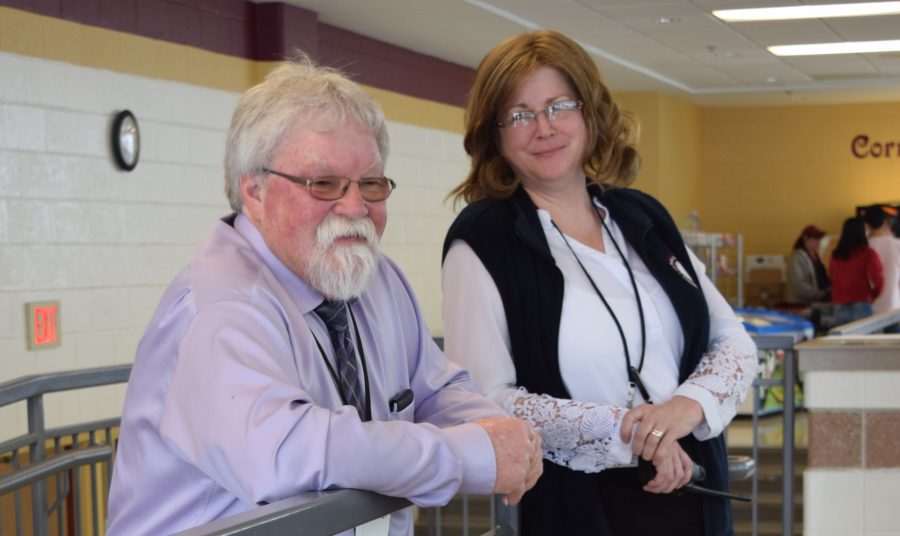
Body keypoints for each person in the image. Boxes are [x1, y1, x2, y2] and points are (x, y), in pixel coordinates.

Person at [105, 54, 542, 536]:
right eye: (325, 184)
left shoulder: (378, 279)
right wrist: (472, 456)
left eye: (371, 184)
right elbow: (292, 454)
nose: (355, 207)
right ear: (254, 191)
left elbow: (435, 389)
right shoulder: (219, 308)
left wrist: (498, 435)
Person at [441, 30, 757, 535]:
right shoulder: (484, 237)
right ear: (495, 134)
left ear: (590, 112)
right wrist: (625, 430)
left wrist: (683, 408)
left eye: (559, 106)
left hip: (693, 486)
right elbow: (484, 400)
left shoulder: (641, 216)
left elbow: (730, 339)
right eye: (519, 115)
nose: (543, 128)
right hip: (580, 507)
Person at [829, 217, 884, 325]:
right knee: (863, 341)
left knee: (842, 341)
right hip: (862, 304)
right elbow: (878, 277)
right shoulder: (868, 253)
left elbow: (832, 278)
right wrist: (874, 295)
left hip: (839, 306)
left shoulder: (835, 255)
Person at [864, 205, 900, 332]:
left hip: (868, 308)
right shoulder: (897, 245)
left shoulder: (863, 246)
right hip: (893, 305)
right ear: (886, 222)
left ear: (866, 224)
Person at [786, 224, 831, 304]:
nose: (818, 243)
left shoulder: (816, 257)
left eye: (819, 239)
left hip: (817, 303)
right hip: (802, 305)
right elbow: (799, 286)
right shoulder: (796, 258)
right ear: (805, 239)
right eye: (815, 239)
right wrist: (820, 293)